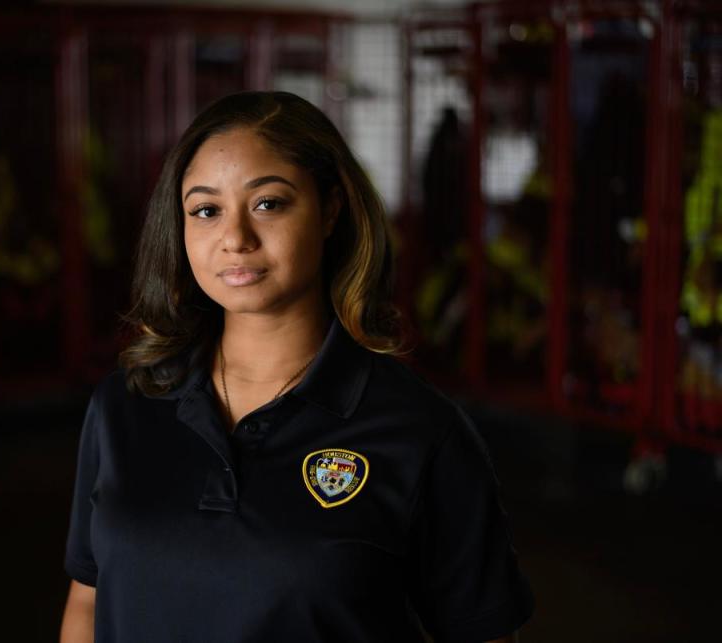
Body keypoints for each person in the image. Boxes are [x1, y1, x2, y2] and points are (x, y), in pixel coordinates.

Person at [61, 91, 534, 643]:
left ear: (331, 208)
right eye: (206, 210)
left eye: (269, 203)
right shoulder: (124, 405)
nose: (235, 239)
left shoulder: (420, 432)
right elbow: (88, 604)